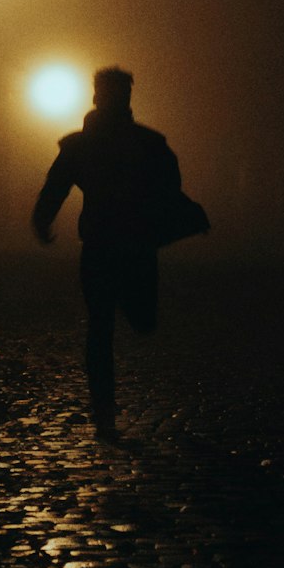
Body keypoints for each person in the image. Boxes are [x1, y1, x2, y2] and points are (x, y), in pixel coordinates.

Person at [31, 67, 182, 441]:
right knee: (104, 326)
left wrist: (42, 219)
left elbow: (57, 185)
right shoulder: (142, 144)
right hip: (117, 245)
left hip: (114, 244)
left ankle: (104, 413)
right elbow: (57, 185)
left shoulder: (112, 145)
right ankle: (104, 415)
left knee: (114, 325)